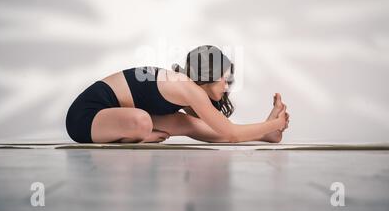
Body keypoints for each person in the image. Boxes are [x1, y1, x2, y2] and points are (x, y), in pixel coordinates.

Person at [65, 45, 290, 144]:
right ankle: (139, 134)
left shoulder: (189, 90)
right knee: (142, 122)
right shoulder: (188, 89)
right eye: (224, 77)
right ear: (207, 75)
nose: (226, 85)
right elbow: (231, 133)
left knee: (188, 123)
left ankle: (264, 138)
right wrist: (274, 123)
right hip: (86, 117)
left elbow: (218, 128)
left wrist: (266, 130)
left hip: (116, 117)